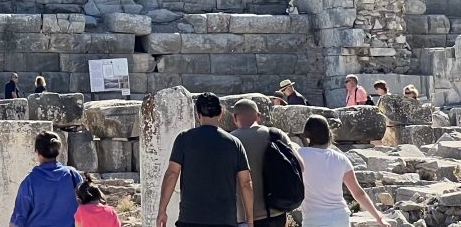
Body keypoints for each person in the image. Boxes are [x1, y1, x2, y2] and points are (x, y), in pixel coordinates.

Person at [154, 93, 252, 227]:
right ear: (221, 113)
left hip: (191, 218)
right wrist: (250, 219)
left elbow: (172, 174)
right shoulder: (235, 144)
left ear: (198, 114)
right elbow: (246, 183)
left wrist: (162, 210)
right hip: (224, 219)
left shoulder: (184, 139)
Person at [299, 115, 388, 227]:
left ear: (307, 137)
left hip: (314, 219)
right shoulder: (341, 159)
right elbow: (358, 193)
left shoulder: (300, 155)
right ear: (329, 135)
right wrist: (378, 217)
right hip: (340, 218)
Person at [230, 98, 293, 227]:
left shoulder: (230, 141)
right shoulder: (276, 135)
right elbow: (300, 166)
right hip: (276, 211)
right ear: (258, 116)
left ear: (234, 117)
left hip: (244, 216)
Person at [9, 131, 82, 227]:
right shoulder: (73, 176)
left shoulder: (29, 182)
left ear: (37, 151)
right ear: (58, 151)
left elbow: (19, 218)